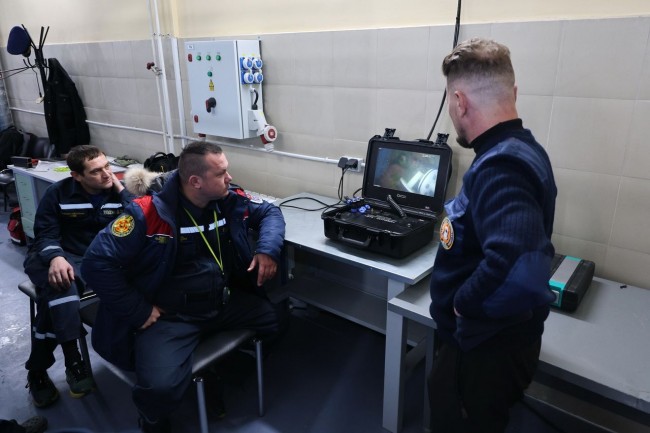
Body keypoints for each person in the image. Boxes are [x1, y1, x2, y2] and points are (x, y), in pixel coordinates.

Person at [81, 141, 286, 433]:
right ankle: (152, 420)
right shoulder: (146, 213)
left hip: (221, 302)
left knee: (276, 319)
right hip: (172, 316)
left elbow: (269, 213)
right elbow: (95, 264)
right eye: (221, 173)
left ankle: (220, 370)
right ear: (195, 182)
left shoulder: (227, 199)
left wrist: (267, 249)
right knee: (160, 389)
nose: (229, 178)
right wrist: (137, 310)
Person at [428, 38, 557, 433]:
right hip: (494, 344)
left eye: (451, 103)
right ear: (512, 93)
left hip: (481, 351)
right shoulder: (521, 149)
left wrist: (462, 304)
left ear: (460, 102)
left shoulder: (501, 166)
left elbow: (516, 265)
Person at [24, 145, 134, 407]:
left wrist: (121, 189)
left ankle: (38, 369)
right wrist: (56, 257)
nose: (106, 174)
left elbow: (139, 218)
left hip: (91, 258)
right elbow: (45, 234)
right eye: (96, 171)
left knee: (56, 300)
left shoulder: (117, 192)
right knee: (62, 285)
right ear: (76, 176)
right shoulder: (58, 193)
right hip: (55, 254)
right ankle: (73, 359)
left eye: (107, 167)